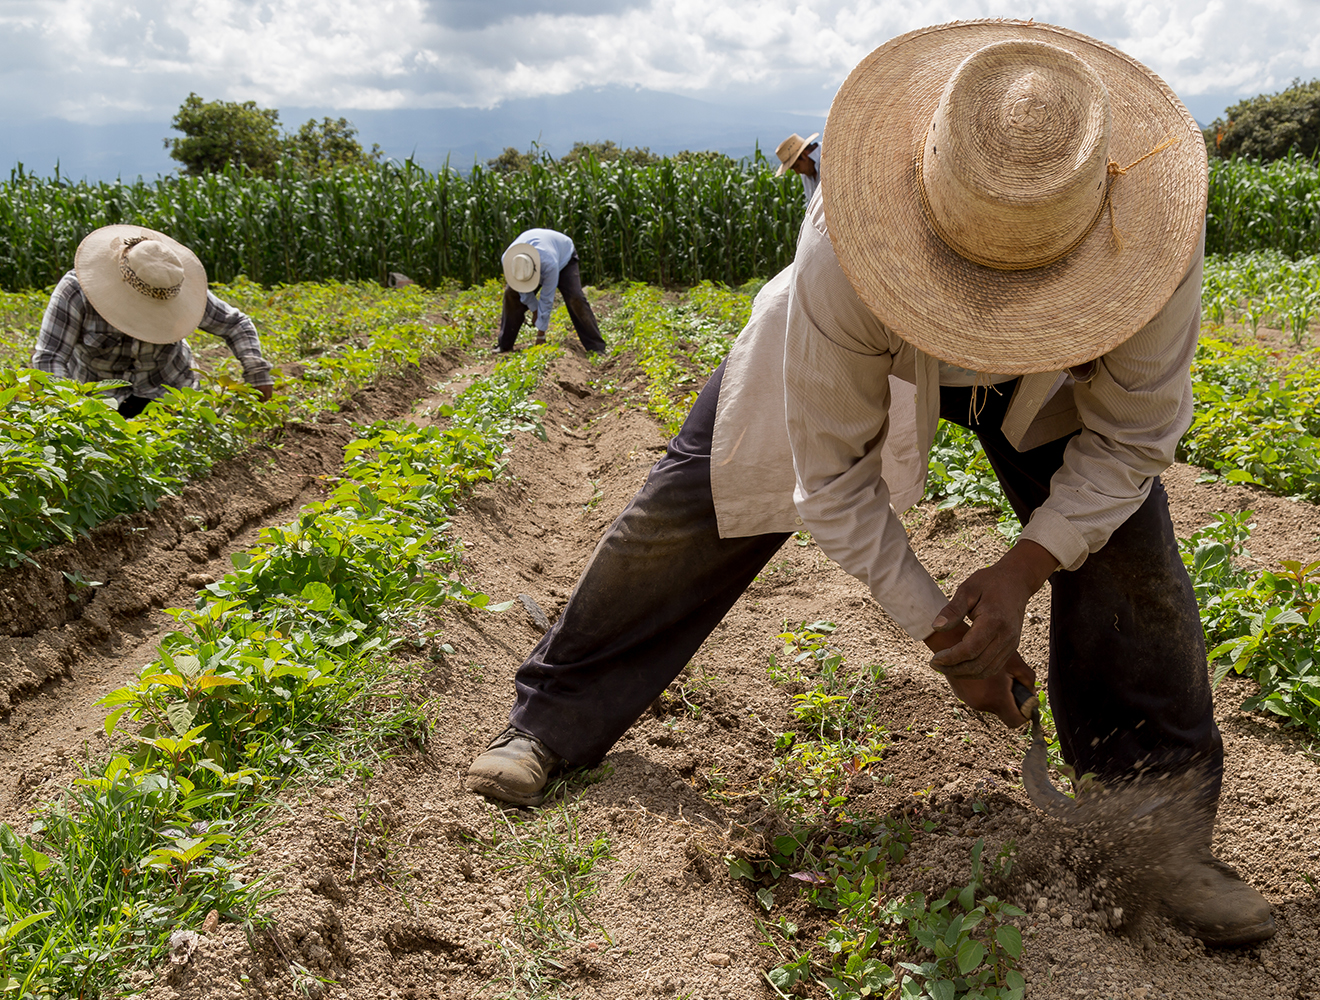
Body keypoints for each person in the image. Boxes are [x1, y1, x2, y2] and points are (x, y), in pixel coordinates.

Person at [466, 21, 1275, 947]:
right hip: (878, 345)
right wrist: (942, 628)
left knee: (1130, 561)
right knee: (696, 507)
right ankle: (548, 723)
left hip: (1062, 382)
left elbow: (1133, 440)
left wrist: (1022, 570)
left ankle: (1158, 839)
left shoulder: (1151, 241)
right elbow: (831, 480)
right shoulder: (845, 251)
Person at [33, 225, 273, 417]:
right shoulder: (78, 291)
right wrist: (68, 412)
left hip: (170, 394)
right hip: (100, 402)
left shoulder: (172, 285)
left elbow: (236, 324)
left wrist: (257, 373)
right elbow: (50, 358)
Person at [496, 228, 607, 355]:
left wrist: (541, 334)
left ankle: (596, 347)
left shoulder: (549, 264)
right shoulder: (509, 260)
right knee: (511, 294)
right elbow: (521, 287)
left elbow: (547, 298)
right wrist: (535, 310)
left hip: (564, 257)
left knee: (575, 298)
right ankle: (504, 345)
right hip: (540, 253)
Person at [774, 131, 821, 203]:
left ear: (804, 155)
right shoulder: (806, 174)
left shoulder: (830, 159)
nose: (797, 172)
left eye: (797, 166)